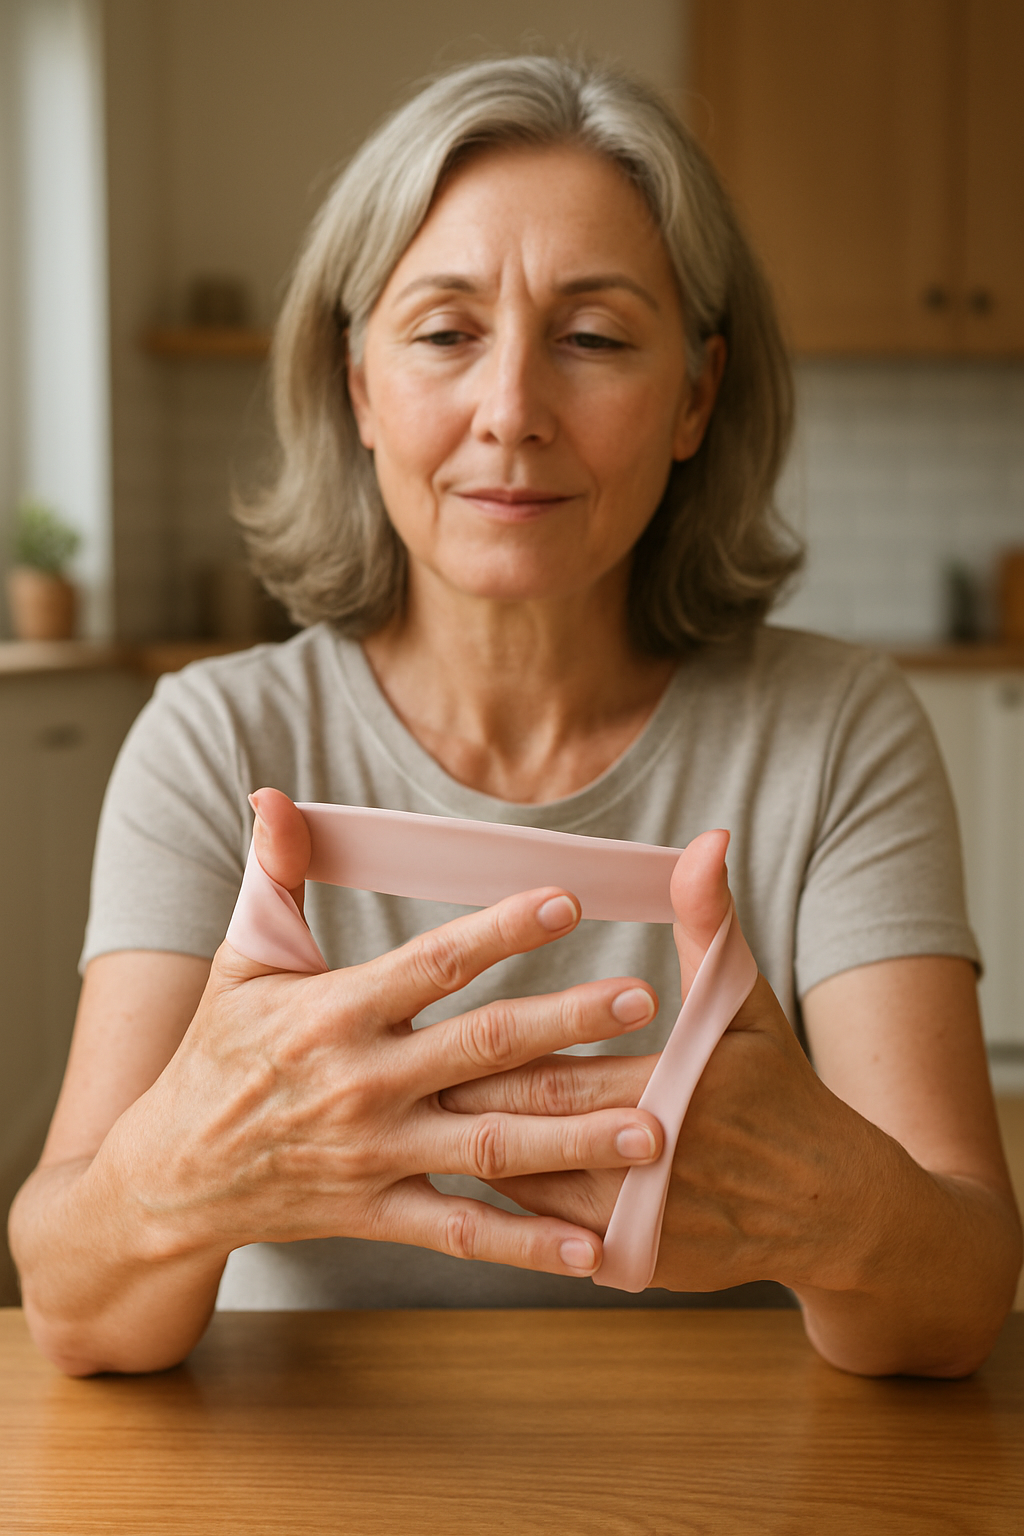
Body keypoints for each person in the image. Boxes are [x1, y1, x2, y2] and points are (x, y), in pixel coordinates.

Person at [10, 56, 1021, 1379]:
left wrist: (837, 1198)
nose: (512, 414)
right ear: (360, 386)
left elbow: (954, 1305)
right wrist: (197, 1157)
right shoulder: (212, 740)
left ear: (696, 398)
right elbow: (82, 1314)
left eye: (593, 338)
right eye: (443, 333)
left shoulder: (835, 730)